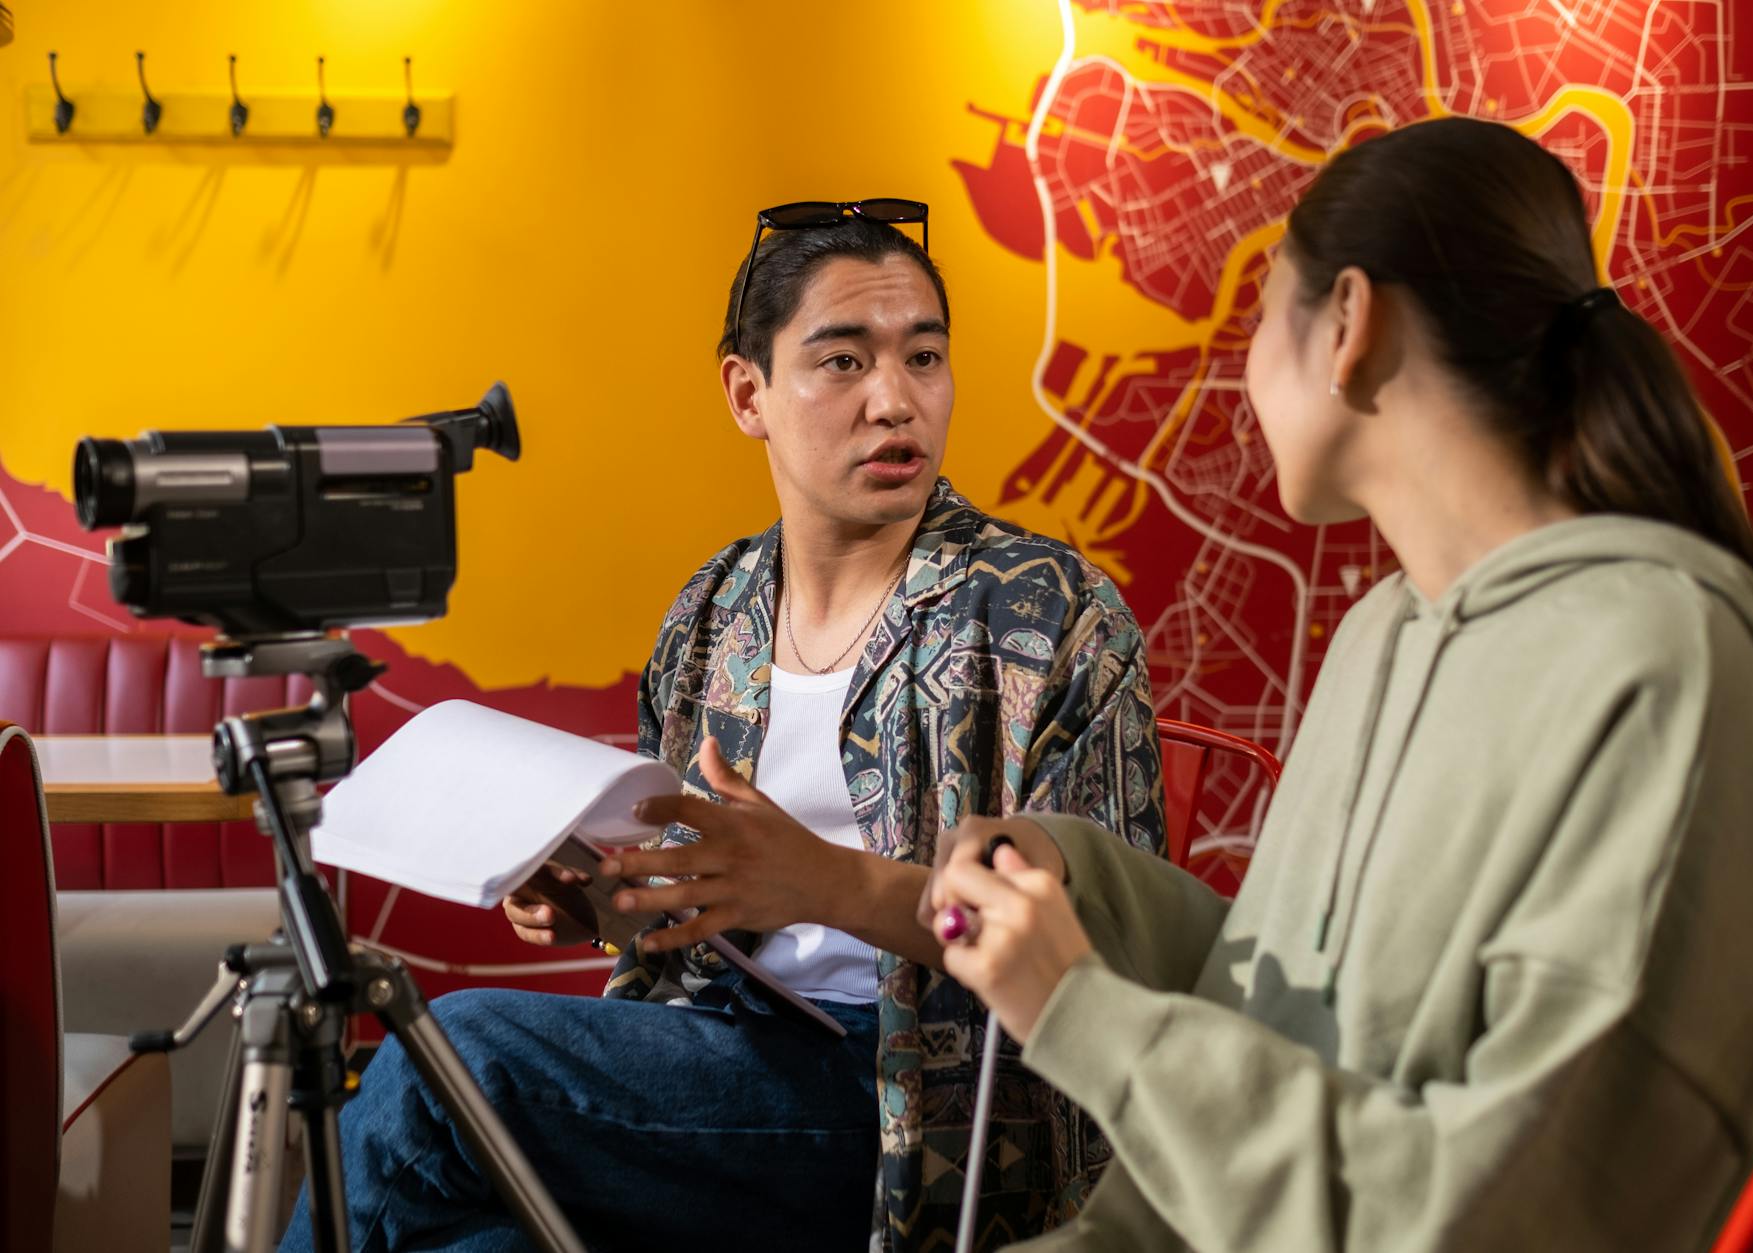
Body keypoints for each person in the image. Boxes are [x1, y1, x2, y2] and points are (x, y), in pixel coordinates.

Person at [923, 117, 1753, 1252]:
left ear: (1348, 324)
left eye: (1258, 312)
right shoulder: (1384, 629)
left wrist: (1077, 1009)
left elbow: (1509, 1216)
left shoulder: (1660, 673)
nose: (1238, 370)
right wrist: (1078, 885)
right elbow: (1319, 998)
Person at [279, 205, 1165, 1253]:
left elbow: (1108, 950)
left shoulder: (1044, 610)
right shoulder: (713, 611)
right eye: (842, 360)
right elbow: (703, 913)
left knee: (459, 1053)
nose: (895, 400)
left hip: (919, 1105)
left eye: (924, 356)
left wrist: (824, 881)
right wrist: (615, 903)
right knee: (479, 1239)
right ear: (747, 392)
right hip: (722, 1064)